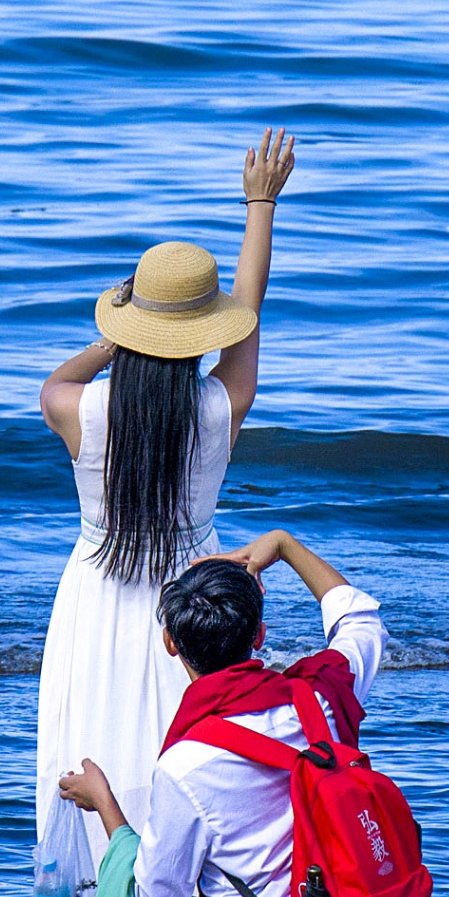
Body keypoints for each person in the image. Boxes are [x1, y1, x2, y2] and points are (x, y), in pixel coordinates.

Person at [51, 528, 382, 897]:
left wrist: (108, 808)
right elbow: (358, 617)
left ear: (171, 644)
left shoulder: (190, 762)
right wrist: (282, 547)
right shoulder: (323, 702)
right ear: (259, 636)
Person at [32, 130, 295, 822]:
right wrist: (259, 205)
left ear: (131, 325)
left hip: (95, 592)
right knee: (183, 747)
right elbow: (251, 312)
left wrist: (110, 338)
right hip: (188, 596)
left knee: (87, 742)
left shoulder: (77, 408)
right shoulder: (220, 407)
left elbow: (55, 381)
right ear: (204, 330)